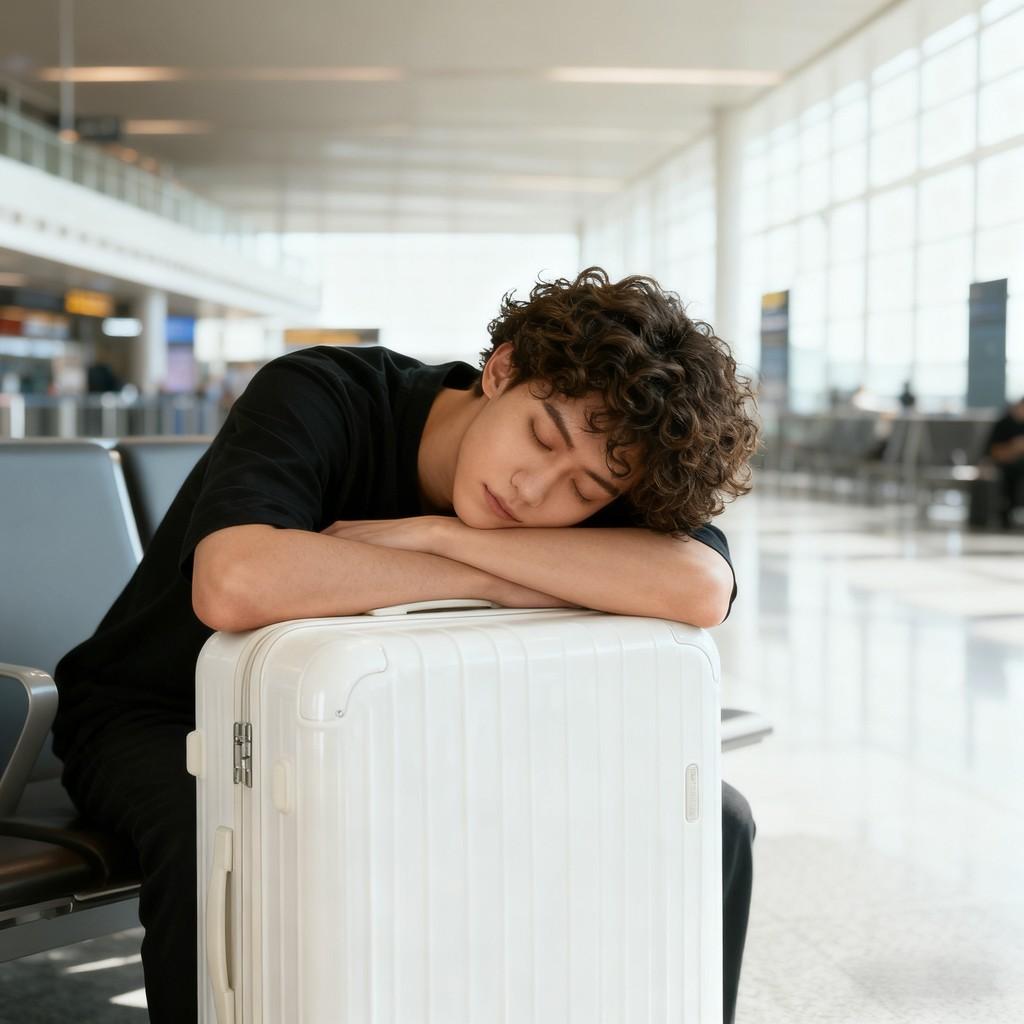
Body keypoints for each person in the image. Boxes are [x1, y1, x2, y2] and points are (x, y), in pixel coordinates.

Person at [51, 266, 761, 1024]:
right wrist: (518, 576)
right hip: (164, 714)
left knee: (717, 822)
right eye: (540, 435)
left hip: (396, 728)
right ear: (503, 369)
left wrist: (445, 541)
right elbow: (236, 583)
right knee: (226, 833)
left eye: (584, 493)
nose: (534, 491)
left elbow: (700, 586)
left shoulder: (590, 469)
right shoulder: (326, 393)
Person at [986, 396, 1024, 528]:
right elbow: (993, 453)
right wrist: (1014, 448)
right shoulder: (1004, 424)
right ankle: (1006, 513)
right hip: (1007, 465)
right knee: (1012, 471)